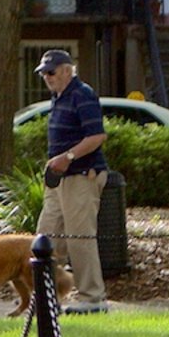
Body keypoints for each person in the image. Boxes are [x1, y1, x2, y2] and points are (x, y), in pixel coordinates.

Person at [34, 49, 108, 312]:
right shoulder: (59, 97)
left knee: (80, 237)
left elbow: (97, 136)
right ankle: (47, 294)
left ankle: (93, 298)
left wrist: (69, 156)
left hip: (81, 175)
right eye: (44, 74)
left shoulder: (82, 94)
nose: (47, 78)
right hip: (59, 178)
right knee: (47, 235)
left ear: (67, 70)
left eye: (51, 72)